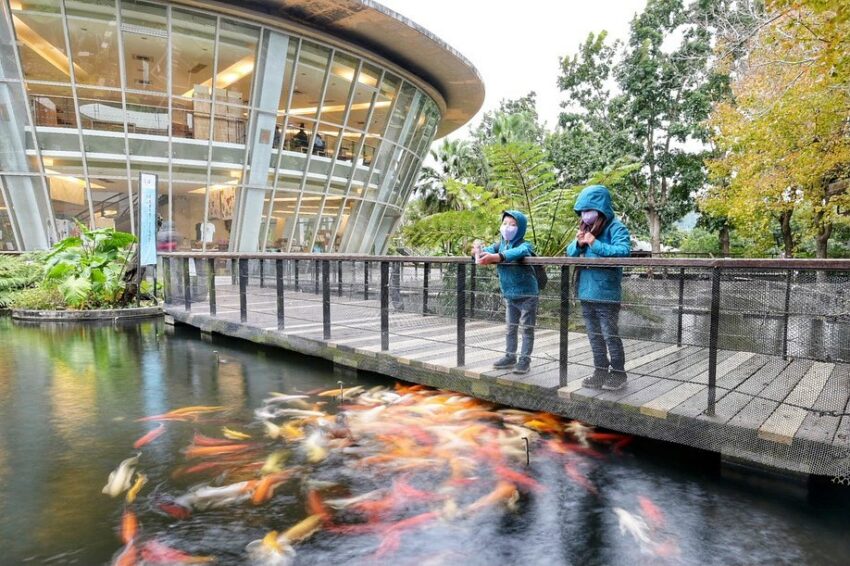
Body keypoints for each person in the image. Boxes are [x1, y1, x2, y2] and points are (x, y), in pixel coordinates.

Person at [566, 185, 631, 390]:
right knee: (594, 336)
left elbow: (623, 252)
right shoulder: (585, 230)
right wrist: (578, 245)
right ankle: (600, 371)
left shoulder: (616, 228)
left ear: (601, 209)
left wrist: (595, 244)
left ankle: (618, 373)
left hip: (607, 293)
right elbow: (569, 253)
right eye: (582, 212)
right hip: (586, 292)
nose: (585, 215)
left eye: (589, 210)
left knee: (610, 335)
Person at [475, 210, 539, 374]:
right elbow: (487, 251)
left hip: (527, 295)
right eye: (505, 223)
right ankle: (510, 357)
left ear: (521, 228)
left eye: (512, 224)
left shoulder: (525, 244)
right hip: (510, 295)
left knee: (526, 329)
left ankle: (524, 360)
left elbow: (518, 253)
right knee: (510, 328)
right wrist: (477, 252)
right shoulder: (499, 244)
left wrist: (498, 257)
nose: (507, 227)